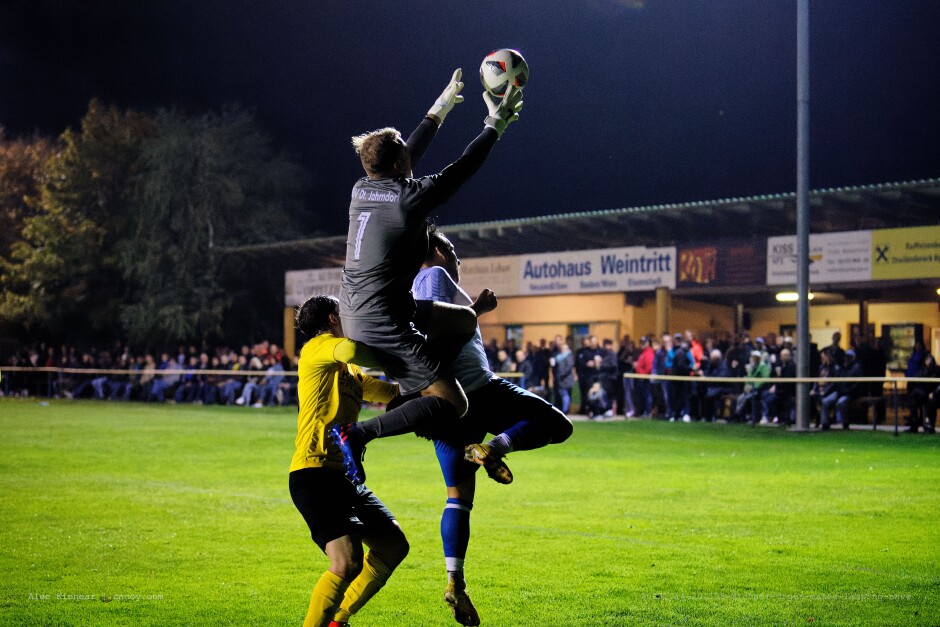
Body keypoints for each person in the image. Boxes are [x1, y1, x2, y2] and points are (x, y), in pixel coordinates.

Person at [331, 70, 524, 481]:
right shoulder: (407, 200)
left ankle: (421, 393)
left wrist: (440, 109)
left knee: (465, 318)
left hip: (363, 309)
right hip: (383, 321)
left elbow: (406, 151)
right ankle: (357, 434)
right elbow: (463, 168)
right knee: (453, 402)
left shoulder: (362, 188)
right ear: (400, 162)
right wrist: (496, 124)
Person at [412, 227, 572, 626]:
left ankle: (455, 582)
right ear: (437, 250)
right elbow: (434, 333)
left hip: (442, 405)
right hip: (476, 390)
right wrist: (479, 310)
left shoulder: (410, 287)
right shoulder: (434, 276)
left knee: (458, 498)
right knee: (557, 424)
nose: (457, 258)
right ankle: (496, 446)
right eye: (453, 249)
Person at [289, 295, 409, 627]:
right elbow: (353, 349)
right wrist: (393, 354)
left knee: (393, 545)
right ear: (331, 318)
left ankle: (337, 620)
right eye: (344, 312)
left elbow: (387, 392)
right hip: (314, 472)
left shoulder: (349, 370)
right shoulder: (318, 347)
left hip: (343, 478)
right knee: (347, 562)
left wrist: (429, 385)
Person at [551, 336, 575, 414]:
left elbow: (568, 367)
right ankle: (561, 409)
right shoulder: (558, 356)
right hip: (559, 378)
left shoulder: (569, 355)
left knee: (565, 394)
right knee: (561, 394)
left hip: (565, 379)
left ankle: (565, 410)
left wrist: (561, 374)